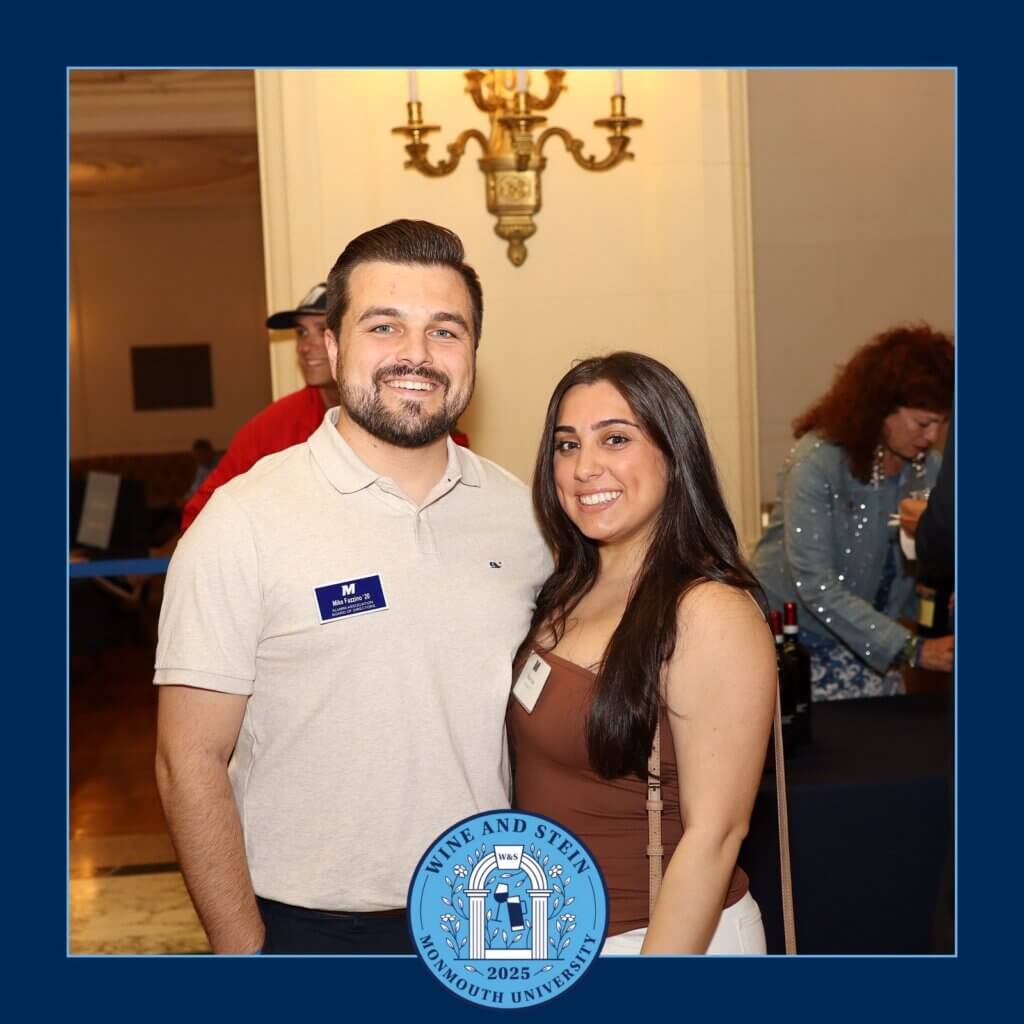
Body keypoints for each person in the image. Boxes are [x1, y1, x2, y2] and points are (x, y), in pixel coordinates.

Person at [153, 220, 552, 954]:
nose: (416, 354)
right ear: (333, 349)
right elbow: (188, 761)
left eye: (445, 331)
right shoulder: (243, 521)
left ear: (472, 354)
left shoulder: (524, 519)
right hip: (309, 927)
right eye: (384, 326)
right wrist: (245, 954)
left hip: (490, 913)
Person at [508, 352, 777, 955]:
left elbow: (716, 835)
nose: (585, 468)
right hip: (558, 940)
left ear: (674, 455)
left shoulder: (708, 612)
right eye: (567, 445)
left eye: (616, 439)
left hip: (663, 940)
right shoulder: (565, 589)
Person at [751, 324, 954, 701]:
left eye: (943, 423)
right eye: (923, 423)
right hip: (794, 648)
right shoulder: (815, 464)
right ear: (881, 410)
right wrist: (913, 648)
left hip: (875, 645)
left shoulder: (929, 468)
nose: (932, 437)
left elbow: (909, 574)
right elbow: (816, 585)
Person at [179, 284, 338, 532]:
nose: (305, 346)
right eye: (302, 332)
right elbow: (199, 515)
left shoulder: (389, 415)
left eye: (322, 329)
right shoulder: (276, 424)